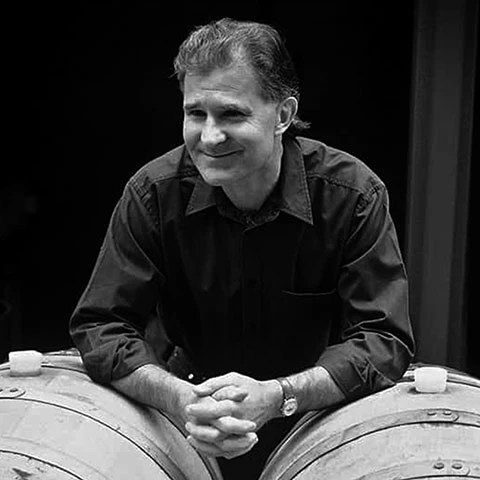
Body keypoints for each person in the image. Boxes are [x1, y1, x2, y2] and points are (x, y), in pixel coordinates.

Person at [69, 17, 415, 479]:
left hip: (322, 425)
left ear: (284, 115)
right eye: (196, 113)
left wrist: (279, 395)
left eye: (232, 115)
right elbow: (101, 327)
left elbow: (383, 340)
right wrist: (181, 399)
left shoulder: (352, 195)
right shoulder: (152, 193)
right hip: (188, 422)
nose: (210, 136)